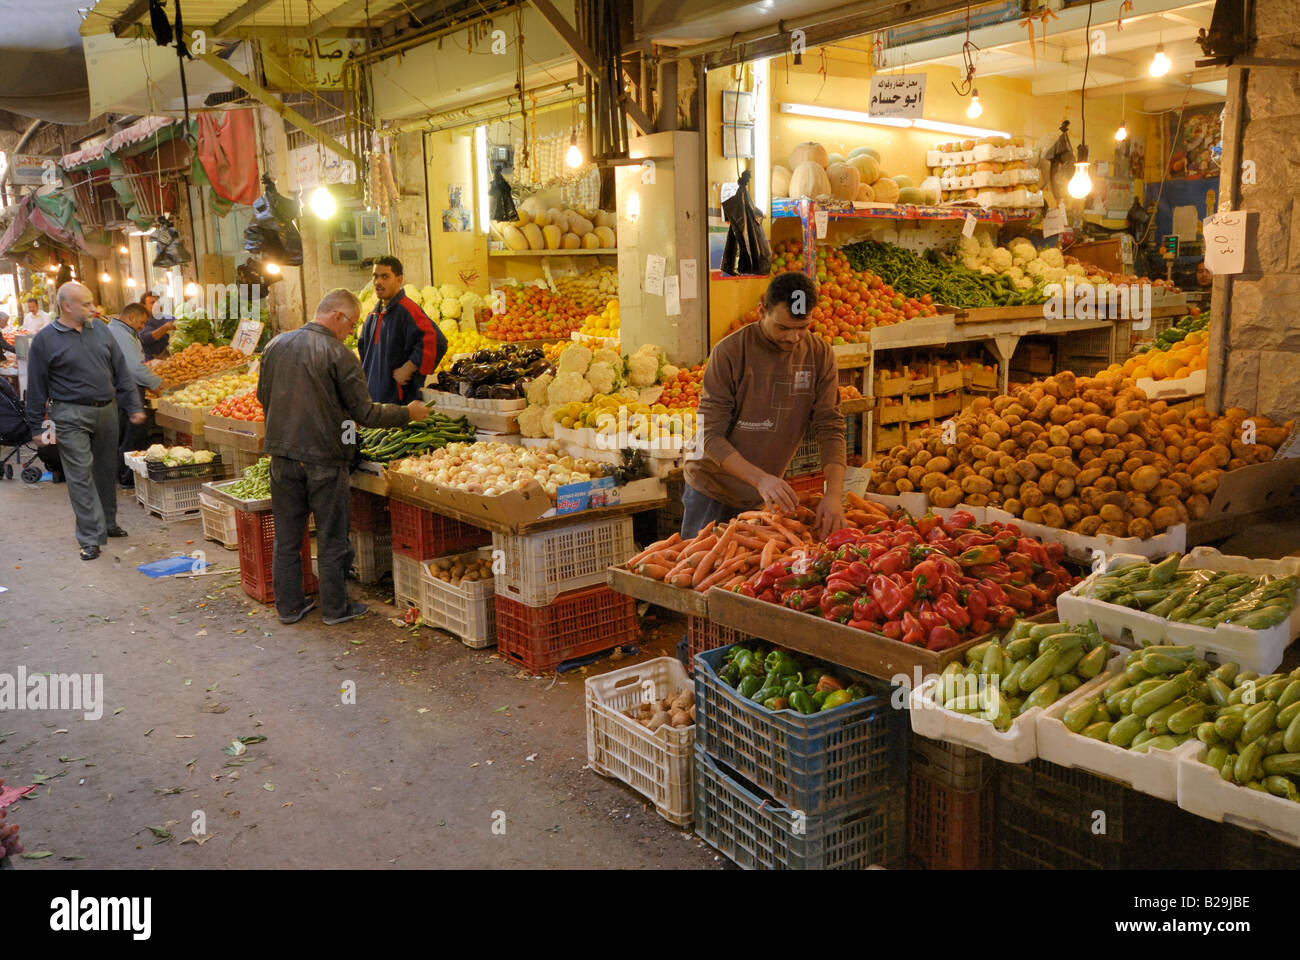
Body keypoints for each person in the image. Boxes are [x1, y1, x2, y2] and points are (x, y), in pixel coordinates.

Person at [258, 288, 433, 626]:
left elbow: (262, 396)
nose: (351, 332)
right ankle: (336, 609)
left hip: (281, 458)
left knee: (288, 536)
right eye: (351, 325)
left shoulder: (275, 345)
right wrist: (407, 414)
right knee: (332, 537)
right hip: (325, 460)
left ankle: (290, 607)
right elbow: (365, 412)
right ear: (338, 316)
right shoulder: (339, 354)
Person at [684, 271, 847, 540]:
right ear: (762, 311)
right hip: (711, 489)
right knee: (699, 573)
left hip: (760, 496)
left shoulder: (820, 355)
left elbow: (830, 427)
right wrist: (761, 479)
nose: (794, 337)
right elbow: (709, 436)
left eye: (803, 327)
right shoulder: (730, 353)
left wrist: (833, 495)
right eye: (783, 327)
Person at [24, 281, 144, 559]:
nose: (94, 308)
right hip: (68, 414)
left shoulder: (101, 330)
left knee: (105, 469)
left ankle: (109, 522)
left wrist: (132, 405)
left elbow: (121, 371)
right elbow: (37, 387)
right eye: (87, 304)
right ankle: (90, 537)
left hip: (107, 410)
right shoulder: (45, 340)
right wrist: (37, 428)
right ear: (67, 306)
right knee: (79, 474)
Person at [357, 256, 447, 404]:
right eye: (375, 276)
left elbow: (437, 341)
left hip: (399, 401)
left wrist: (409, 367)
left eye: (385, 276)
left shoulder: (408, 310)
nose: (378, 282)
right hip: (375, 401)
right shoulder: (373, 315)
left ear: (399, 280)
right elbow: (363, 354)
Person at [107, 302, 163, 488]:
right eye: (141, 322)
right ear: (131, 317)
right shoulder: (120, 334)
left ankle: (122, 475)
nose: (142, 326)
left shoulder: (120, 331)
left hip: (121, 389)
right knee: (131, 434)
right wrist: (158, 383)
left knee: (124, 433)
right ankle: (127, 477)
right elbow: (134, 367)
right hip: (126, 390)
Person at [138, 291, 177, 359]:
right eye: (152, 303)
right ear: (143, 306)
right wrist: (165, 327)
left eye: (157, 302)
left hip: (173, 359)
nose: (156, 305)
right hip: (153, 362)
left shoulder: (169, 318)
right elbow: (147, 338)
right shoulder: (141, 322)